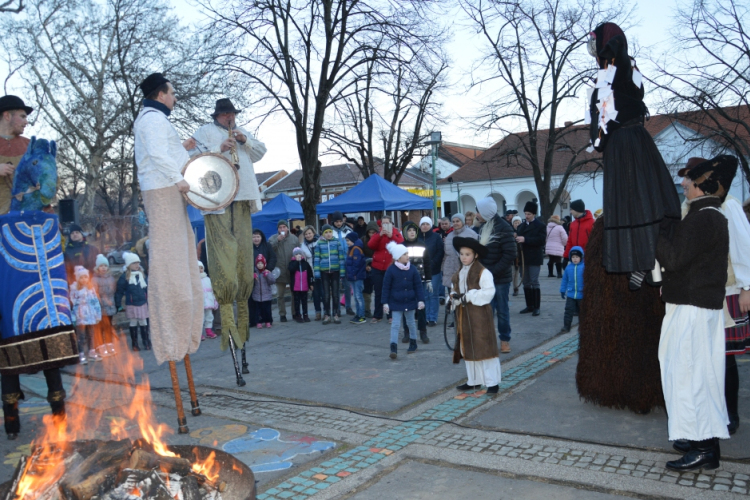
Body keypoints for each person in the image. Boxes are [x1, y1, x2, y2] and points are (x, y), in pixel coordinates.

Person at [586, 23, 681, 290]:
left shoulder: (616, 72)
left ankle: (644, 261)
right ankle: (643, 261)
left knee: (633, 199)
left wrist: (613, 46)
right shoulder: (620, 71)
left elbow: (601, 131)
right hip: (634, 141)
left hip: (625, 144)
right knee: (641, 198)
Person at [655, 155, 732, 472]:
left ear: (706, 186)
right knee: (695, 374)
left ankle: (704, 449)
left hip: (693, 309)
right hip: (696, 307)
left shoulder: (705, 218)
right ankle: (700, 438)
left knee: (690, 376)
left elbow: (673, 259)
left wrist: (657, 233)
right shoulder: (708, 216)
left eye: (691, 181)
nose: (684, 184)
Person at [671, 156, 748, 455]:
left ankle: (728, 416)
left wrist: (747, 286)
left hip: (727, 290)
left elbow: (743, 244)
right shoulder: (689, 207)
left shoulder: (727, 205)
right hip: (701, 291)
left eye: (689, 177)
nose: (685, 182)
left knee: (724, 359)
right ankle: (705, 423)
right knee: (705, 360)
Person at [133, 72, 202, 365]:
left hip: (169, 189)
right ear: (161, 94)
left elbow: (166, 152)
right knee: (170, 260)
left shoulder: (157, 120)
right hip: (163, 191)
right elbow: (159, 155)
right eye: (172, 93)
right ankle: (171, 334)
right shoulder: (150, 119)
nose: (175, 98)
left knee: (181, 256)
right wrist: (180, 180)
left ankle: (183, 327)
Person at [189, 97, 266, 350]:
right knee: (223, 255)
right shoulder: (204, 132)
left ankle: (243, 319)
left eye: (232, 114)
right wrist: (219, 149)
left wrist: (245, 141)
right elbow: (190, 157)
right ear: (217, 116)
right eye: (225, 115)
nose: (229, 118)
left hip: (242, 195)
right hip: (218, 196)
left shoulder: (242, 131)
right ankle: (226, 318)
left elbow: (260, 153)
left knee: (243, 253)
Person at [450, 237, 501, 394]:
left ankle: (492, 383)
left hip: (479, 315)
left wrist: (470, 296)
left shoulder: (483, 272)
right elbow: (454, 289)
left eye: (467, 254)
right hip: (463, 316)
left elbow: (489, 292)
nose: (464, 257)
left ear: (475, 255)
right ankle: (474, 380)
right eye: (461, 254)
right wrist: (453, 297)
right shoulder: (458, 273)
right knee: (468, 346)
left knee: (484, 347)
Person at [474, 198, 516, 353]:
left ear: (485, 212)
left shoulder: (504, 228)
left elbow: (510, 254)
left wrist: (492, 272)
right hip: (484, 277)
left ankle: (505, 340)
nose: (476, 214)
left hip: (500, 279)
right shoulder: (482, 227)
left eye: (478, 211)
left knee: (503, 311)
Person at [382, 241, 425, 359]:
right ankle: (393, 347)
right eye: (405, 254)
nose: (408, 255)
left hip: (410, 301)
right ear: (398, 257)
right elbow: (386, 287)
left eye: (407, 253)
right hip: (395, 302)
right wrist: (385, 302)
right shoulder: (391, 270)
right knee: (395, 325)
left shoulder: (413, 269)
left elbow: (418, 286)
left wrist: (420, 300)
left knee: (411, 323)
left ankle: (413, 343)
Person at [367, 216, 404, 323]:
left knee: (391, 291)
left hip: (391, 266)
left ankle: (390, 315)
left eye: (387, 223)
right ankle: (377, 314)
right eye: (383, 223)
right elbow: (371, 245)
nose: (385, 225)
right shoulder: (378, 233)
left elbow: (401, 243)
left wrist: (391, 236)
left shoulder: (396, 232)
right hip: (377, 266)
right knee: (378, 291)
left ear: (391, 224)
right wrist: (380, 235)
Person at [0, 95, 32, 215]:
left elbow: (50, 178)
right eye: (22, 116)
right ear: (7, 116)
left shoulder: (30, 146)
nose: (26, 122)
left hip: (24, 221)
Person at [402, 221, 432, 343]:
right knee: (406, 307)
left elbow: (427, 263)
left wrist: (429, 280)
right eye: (409, 230)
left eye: (414, 230)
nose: (412, 232)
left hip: (420, 280)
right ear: (405, 232)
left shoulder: (422, 244)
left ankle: (423, 332)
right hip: (405, 281)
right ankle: (407, 332)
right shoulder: (401, 246)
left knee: (421, 307)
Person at [115, 252, 150, 352]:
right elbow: (119, 291)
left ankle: (146, 340)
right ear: (129, 265)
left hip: (143, 303)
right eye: (134, 263)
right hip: (132, 304)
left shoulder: (142, 275)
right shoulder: (124, 277)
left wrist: (149, 301)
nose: (137, 265)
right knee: (133, 322)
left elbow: (147, 289)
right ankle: (135, 343)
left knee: (144, 322)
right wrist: (118, 304)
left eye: (138, 263)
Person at [515, 201, 546, 316]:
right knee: (526, 282)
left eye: (529, 214)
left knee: (534, 281)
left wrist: (525, 239)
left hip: (534, 257)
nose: (527, 216)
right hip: (524, 257)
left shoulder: (540, 225)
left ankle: (536, 306)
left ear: (534, 214)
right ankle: (529, 305)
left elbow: (541, 241)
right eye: (525, 213)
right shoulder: (521, 226)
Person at [442, 213, 478, 306]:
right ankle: (455, 319)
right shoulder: (449, 236)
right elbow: (446, 254)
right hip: (451, 270)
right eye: (453, 222)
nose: (455, 223)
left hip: (465, 270)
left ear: (462, 222)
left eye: (457, 221)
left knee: (465, 298)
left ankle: (464, 320)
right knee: (453, 298)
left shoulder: (471, 234)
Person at [70, 266, 103, 364]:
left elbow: (95, 301)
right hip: (81, 316)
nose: (84, 279)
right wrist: (74, 317)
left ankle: (91, 352)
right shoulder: (74, 290)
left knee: (91, 335)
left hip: (91, 315)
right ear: (77, 278)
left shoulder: (91, 288)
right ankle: (81, 354)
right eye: (81, 277)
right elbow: (73, 304)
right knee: (81, 336)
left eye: (85, 277)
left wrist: (98, 314)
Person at [314, 225, 345, 325]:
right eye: (326, 232)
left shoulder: (337, 242)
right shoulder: (319, 243)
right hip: (324, 272)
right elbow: (317, 259)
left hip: (335, 271)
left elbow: (341, 257)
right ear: (323, 233)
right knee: (326, 295)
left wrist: (342, 271)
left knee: (336, 294)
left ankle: (335, 314)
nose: (328, 234)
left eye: (330, 232)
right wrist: (317, 272)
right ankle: (327, 314)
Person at [269, 219, 299, 322]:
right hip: (279, 270)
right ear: (277, 229)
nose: (282, 229)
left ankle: (295, 313)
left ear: (287, 228)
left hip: (292, 270)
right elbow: (269, 250)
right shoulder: (273, 238)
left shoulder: (294, 239)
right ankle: (282, 314)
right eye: (280, 227)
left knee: (294, 293)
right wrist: (277, 240)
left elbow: (298, 252)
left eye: (284, 227)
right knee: (280, 295)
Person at [417, 217, 444, 327]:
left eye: (427, 224)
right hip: (420, 270)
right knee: (423, 295)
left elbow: (440, 252)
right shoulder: (417, 238)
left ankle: (432, 317)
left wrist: (432, 263)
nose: (425, 226)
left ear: (431, 225)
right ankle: (425, 317)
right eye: (422, 224)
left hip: (434, 270)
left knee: (432, 294)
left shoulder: (436, 237)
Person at [329, 211, 354, 316]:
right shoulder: (330, 232)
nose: (339, 223)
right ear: (333, 222)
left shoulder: (348, 231)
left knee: (347, 286)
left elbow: (353, 244)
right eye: (336, 221)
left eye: (340, 221)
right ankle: (337, 308)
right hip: (335, 262)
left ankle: (348, 306)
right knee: (336, 287)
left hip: (347, 261)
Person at [92, 254, 117, 357]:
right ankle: (101, 346)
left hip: (110, 305)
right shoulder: (95, 279)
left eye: (105, 266)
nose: (103, 268)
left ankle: (109, 344)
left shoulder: (111, 278)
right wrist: (100, 302)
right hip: (100, 307)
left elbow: (113, 290)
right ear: (97, 267)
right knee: (100, 328)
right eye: (101, 266)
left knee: (108, 327)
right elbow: (94, 293)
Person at [299, 226, 323, 320]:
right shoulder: (303, 246)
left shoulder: (320, 242)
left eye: (310, 233)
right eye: (306, 234)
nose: (308, 235)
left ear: (313, 233)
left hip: (321, 271)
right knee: (315, 294)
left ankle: (326, 312)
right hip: (311, 272)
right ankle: (318, 312)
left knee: (324, 293)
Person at [559, 247, 584, 334]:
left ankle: (583, 327)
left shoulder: (584, 267)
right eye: (573, 257)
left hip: (582, 294)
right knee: (568, 311)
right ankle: (566, 326)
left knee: (583, 312)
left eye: (577, 257)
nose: (575, 259)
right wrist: (562, 290)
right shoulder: (568, 268)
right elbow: (564, 280)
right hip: (571, 294)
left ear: (581, 257)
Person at [344, 233, 367, 324]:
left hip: (356, 277)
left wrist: (352, 274)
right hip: (354, 277)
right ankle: (358, 314)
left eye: (348, 241)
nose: (347, 243)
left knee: (358, 296)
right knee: (357, 297)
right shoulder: (352, 249)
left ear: (353, 240)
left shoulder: (356, 249)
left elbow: (356, 264)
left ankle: (361, 315)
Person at [288, 247, 314, 323]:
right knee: (296, 302)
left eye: (299, 254)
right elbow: (291, 270)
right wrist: (296, 262)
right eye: (296, 254)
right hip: (296, 287)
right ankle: (298, 315)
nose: (298, 255)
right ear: (294, 256)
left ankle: (305, 314)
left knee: (304, 301)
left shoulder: (305, 264)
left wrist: (311, 284)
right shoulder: (292, 263)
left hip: (304, 287)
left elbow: (310, 274)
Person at [361, 220, 380, 317]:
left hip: (378, 266)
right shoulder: (363, 240)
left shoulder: (380, 240)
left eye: (374, 232)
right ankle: (367, 309)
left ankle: (379, 310)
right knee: (366, 290)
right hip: (367, 268)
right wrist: (366, 264)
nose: (372, 234)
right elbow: (361, 254)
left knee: (378, 290)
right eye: (370, 232)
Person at [252, 254, 275, 328]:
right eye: (258, 263)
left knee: (267, 310)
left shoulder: (267, 272)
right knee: (258, 311)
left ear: (264, 264)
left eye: (261, 263)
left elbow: (272, 281)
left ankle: (268, 321)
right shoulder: (255, 273)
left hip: (266, 295)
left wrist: (267, 275)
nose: (260, 265)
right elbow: (250, 283)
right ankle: (259, 322)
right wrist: (252, 277)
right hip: (257, 296)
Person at [198, 261, 218, 340]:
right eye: (198, 268)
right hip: (200, 302)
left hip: (209, 301)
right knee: (201, 318)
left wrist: (214, 300)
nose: (200, 270)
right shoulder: (195, 280)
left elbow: (212, 290)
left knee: (209, 316)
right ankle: (199, 333)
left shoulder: (208, 279)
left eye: (201, 268)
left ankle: (208, 331)